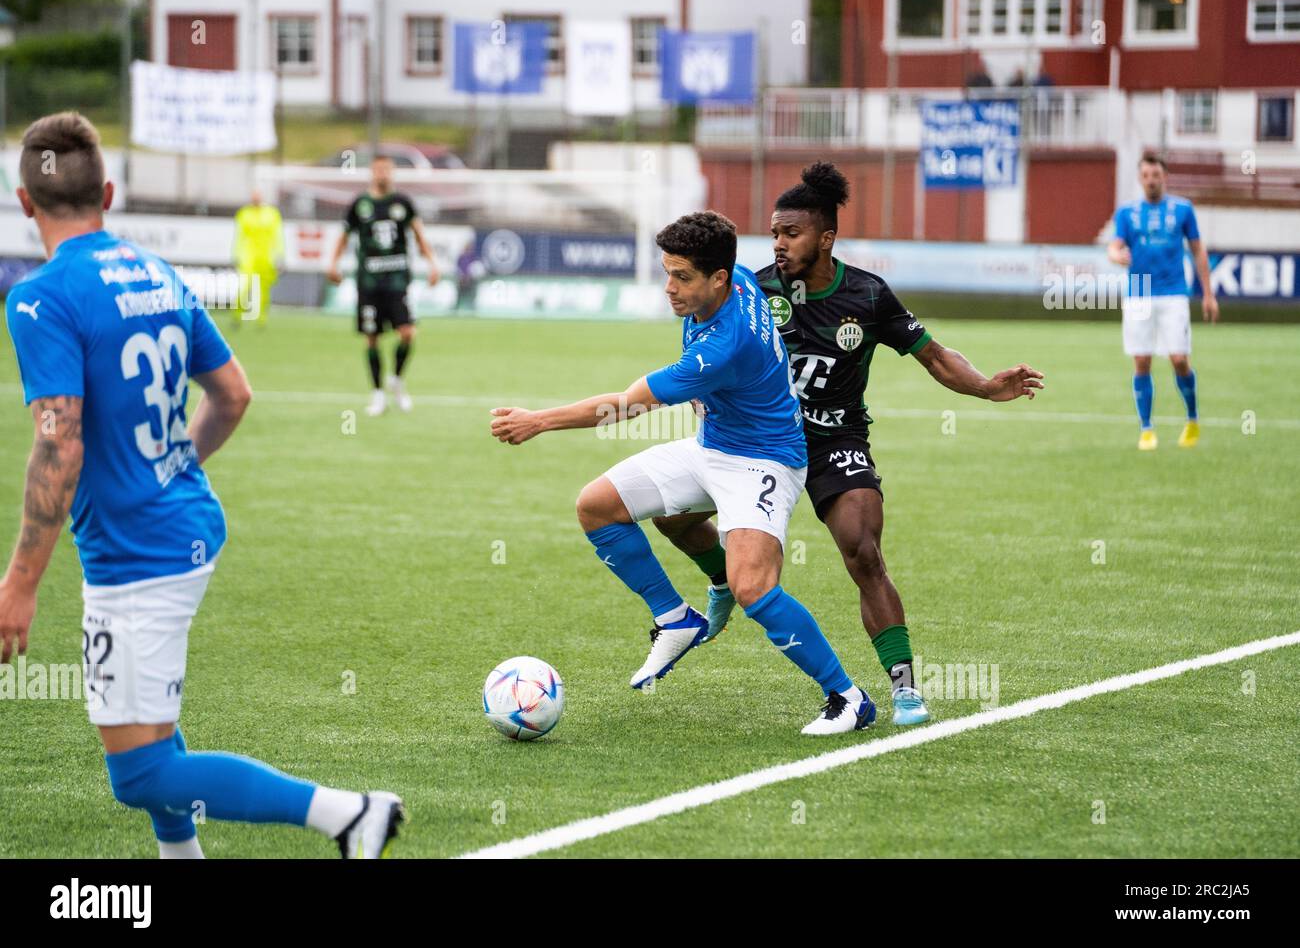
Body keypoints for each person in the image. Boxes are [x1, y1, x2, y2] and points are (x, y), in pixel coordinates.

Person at [0, 112, 404, 858]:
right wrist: (171, 469)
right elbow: (233, 395)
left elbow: (59, 444)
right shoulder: (157, 273)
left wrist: (20, 583)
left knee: (140, 773)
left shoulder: (39, 297)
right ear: (109, 193)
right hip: (180, 523)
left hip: (137, 551)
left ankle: (349, 815)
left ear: (25, 203)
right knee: (149, 727)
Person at [654, 163, 1045, 726]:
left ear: (826, 238)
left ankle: (906, 689)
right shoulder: (756, 289)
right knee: (673, 516)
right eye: (775, 233)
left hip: (835, 440)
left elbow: (933, 355)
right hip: (760, 442)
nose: (780, 244)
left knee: (863, 551)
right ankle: (720, 580)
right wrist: (700, 395)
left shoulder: (867, 295)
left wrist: (985, 386)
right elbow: (702, 346)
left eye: (792, 234)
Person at [491, 211, 878, 735]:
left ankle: (848, 699)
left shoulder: (722, 347)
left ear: (718, 277)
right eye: (667, 272)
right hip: (711, 445)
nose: (669, 288)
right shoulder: (734, 277)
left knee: (754, 589)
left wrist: (538, 420)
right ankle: (675, 618)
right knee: (597, 505)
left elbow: (625, 406)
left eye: (682, 277)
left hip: (764, 461)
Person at [1107, 152, 1218, 450]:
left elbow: (1197, 250)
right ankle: (1146, 429)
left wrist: (1208, 293)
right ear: (1140, 179)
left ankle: (1192, 419)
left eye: (1156, 175)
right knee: (1142, 360)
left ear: (1164, 177)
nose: (1151, 181)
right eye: (1146, 176)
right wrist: (1116, 255)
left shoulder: (1183, 209)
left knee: (1179, 359)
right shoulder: (1127, 213)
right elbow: (1114, 246)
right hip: (1139, 292)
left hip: (1173, 293)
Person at [326, 155, 439, 416]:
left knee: (408, 333)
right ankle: (377, 394)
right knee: (371, 338)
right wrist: (333, 263)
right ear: (371, 173)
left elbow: (419, 236)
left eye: (387, 170)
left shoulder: (403, 203)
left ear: (393, 173)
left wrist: (433, 263)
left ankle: (397, 380)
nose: (382, 174)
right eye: (378, 170)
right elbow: (344, 237)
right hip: (369, 284)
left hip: (398, 281)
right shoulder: (360, 204)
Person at [232, 188, 283, 327]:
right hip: (248, 256)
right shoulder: (244, 214)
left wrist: (279, 256)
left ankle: (261, 318)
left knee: (264, 289)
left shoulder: (272, 214)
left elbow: (277, 237)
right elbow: (239, 236)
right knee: (244, 286)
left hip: (266, 257)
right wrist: (236, 255)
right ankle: (237, 316)